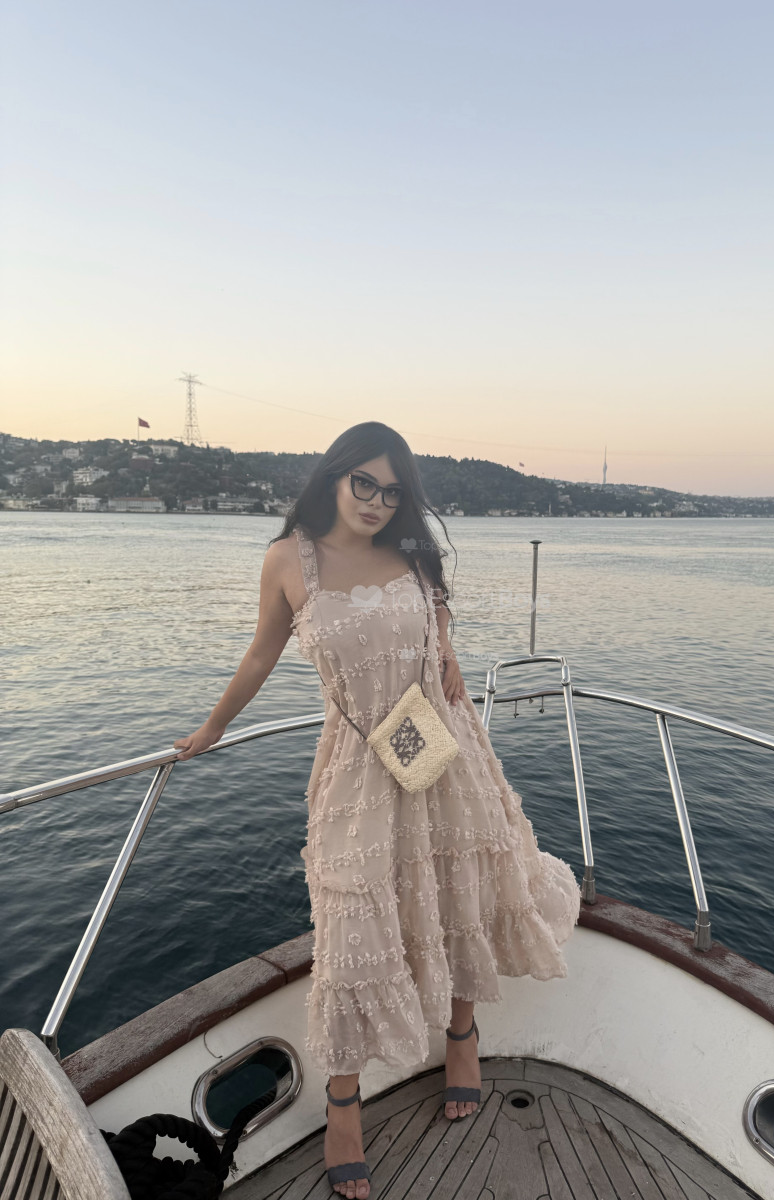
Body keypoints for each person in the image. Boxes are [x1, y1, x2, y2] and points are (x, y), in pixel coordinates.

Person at [174, 422, 581, 1198]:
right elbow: (261, 651)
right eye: (364, 482)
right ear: (333, 476)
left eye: (392, 491)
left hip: (438, 741)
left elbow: (439, 613)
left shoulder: (413, 550)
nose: (376, 501)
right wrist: (214, 726)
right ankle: (342, 1103)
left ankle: (462, 1033)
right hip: (360, 757)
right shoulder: (289, 559)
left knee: (461, 888)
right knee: (352, 925)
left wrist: (449, 654)